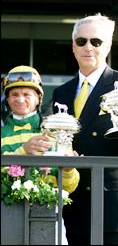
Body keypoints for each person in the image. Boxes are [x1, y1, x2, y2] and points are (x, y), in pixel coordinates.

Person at [51, 13, 118, 245]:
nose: (88, 47)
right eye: (81, 41)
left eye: (96, 41)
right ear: (73, 46)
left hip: (115, 205)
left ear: (108, 45)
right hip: (74, 205)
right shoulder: (61, 92)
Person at [1, 65, 80, 245]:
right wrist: (23, 152)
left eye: (27, 94)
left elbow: (69, 186)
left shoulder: (57, 130)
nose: (20, 99)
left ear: (38, 98)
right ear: (7, 99)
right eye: (14, 94)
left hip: (48, 213)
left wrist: (68, 170)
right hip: (7, 215)